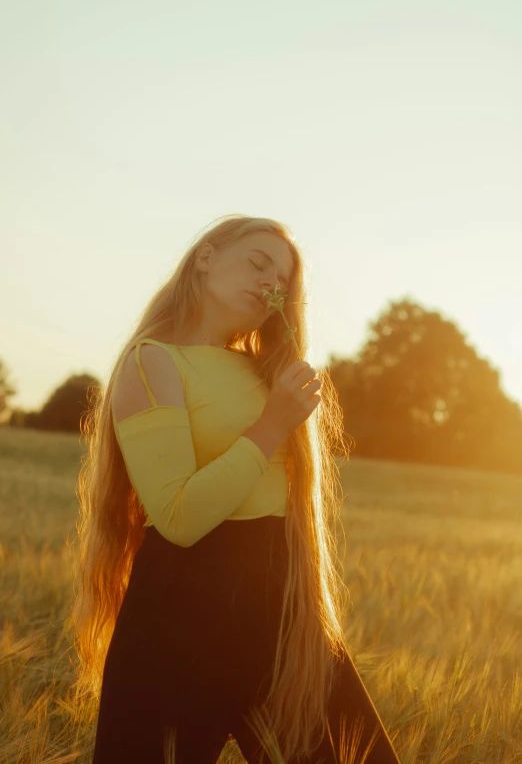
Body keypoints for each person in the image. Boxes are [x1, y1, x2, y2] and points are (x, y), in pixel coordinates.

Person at [70, 214, 401, 763]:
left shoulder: (265, 369)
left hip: (281, 601)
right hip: (180, 611)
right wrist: (273, 424)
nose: (271, 282)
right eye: (257, 262)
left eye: (283, 280)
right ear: (205, 258)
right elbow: (176, 516)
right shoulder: (152, 362)